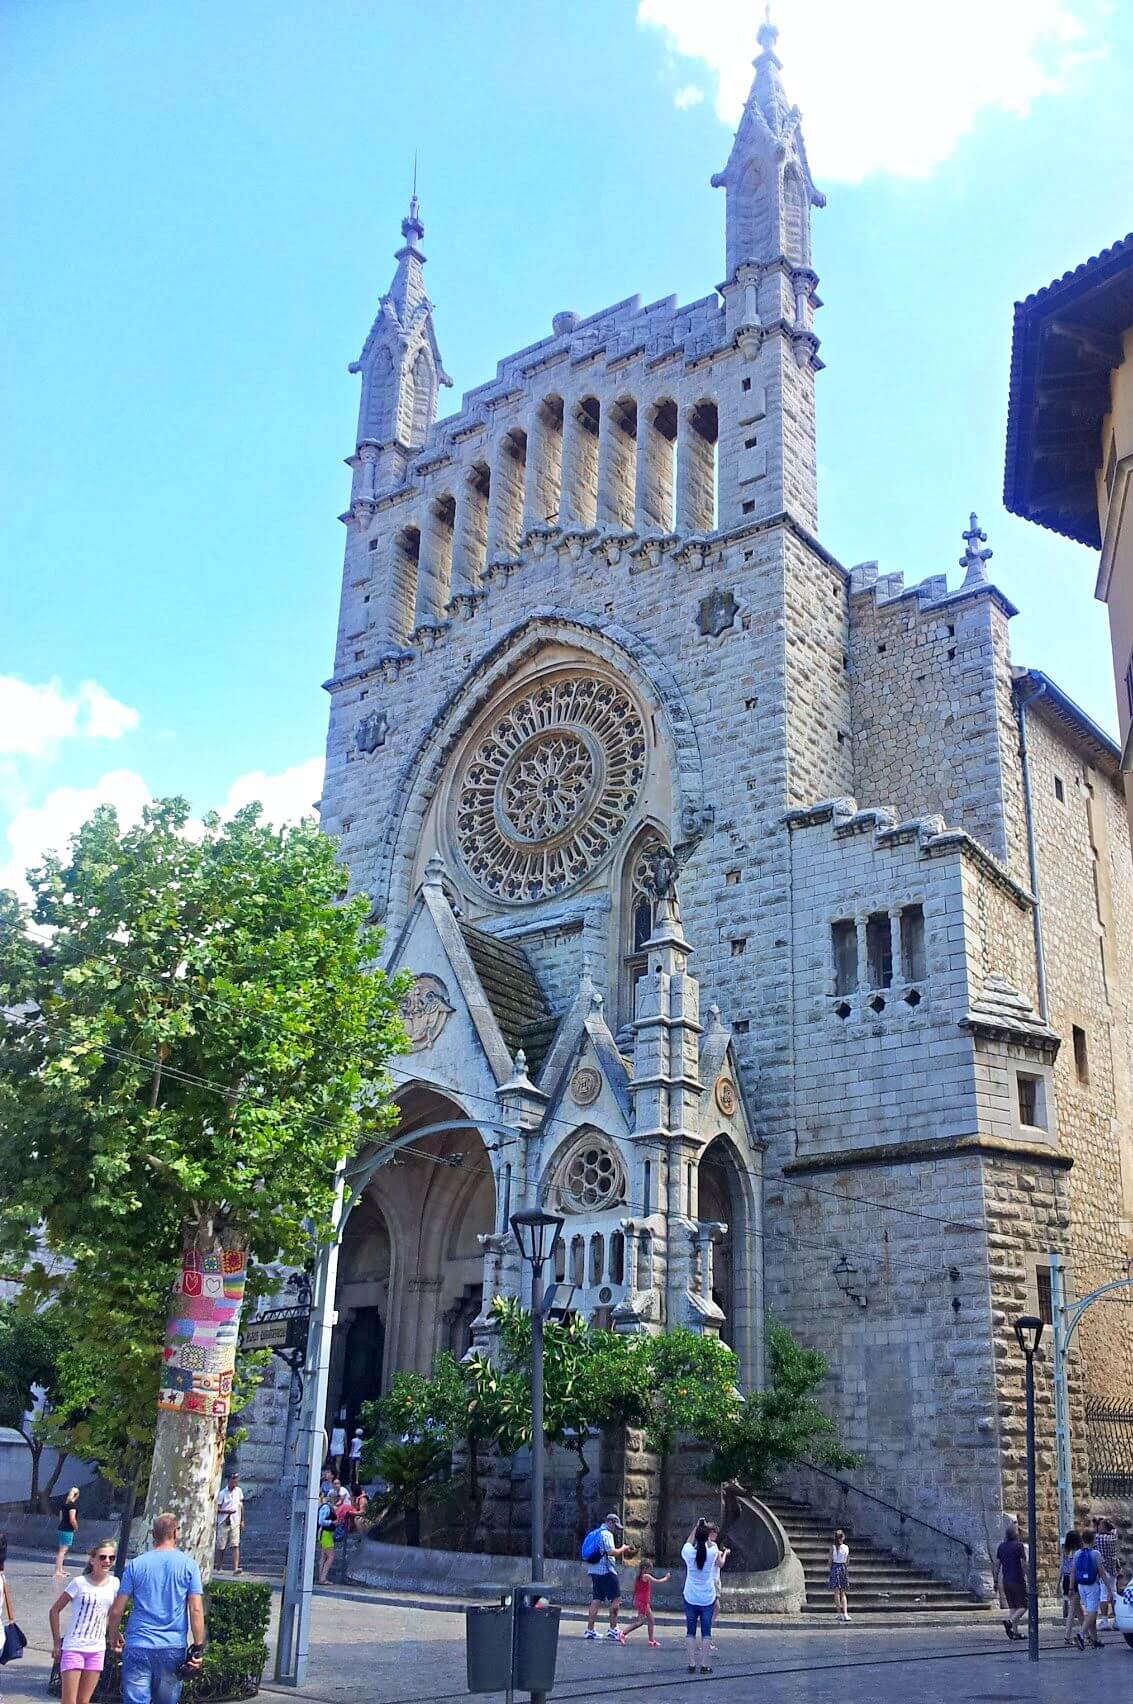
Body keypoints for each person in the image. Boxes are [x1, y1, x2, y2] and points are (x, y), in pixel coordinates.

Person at [106, 1513, 205, 1704]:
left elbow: (117, 1610)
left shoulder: (136, 1565)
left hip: (138, 1644)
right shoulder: (189, 1566)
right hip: (172, 1646)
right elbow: (196, 1610)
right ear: (176, 1533)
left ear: (152, 1534)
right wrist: (198, 1648)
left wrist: (113, 1634)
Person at [49, 1536, 120, 1704]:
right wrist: (57, 1643)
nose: (107, 1561)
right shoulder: (79, 1583)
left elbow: (111, 1615)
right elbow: (54, 1611)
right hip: (74, 1646)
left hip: (97, 1649)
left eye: (111, 1557)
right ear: (92, 1560)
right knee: (69, 1701)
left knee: (84, 1700)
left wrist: (114, 1635)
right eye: (102, 1557)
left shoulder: (115, 1584)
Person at [681, 1518, 719, 1676]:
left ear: (697, 1536)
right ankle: (704, 1665)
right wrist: (705, 1532)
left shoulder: (688, 1553)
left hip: (690, 1596)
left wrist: (697, 1527)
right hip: (707, 1598)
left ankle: (691, 1664)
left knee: (690, 1632)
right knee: (706, 1632)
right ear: (708, 1537)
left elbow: (688, 1542)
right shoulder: (712, 1552)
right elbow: (710, 1545)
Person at [583, 1513, 630, 1643]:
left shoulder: (596, 1532)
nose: (616, 1530)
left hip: (594, 1570)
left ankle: (590, 1630)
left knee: (596, 1599)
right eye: (615, 1526)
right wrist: (623, 1548)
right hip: (606, 1571)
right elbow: (611, 1552)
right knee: (616, 1599)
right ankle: (613, 1629)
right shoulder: (607, 1534)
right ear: (610, 1522)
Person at [1071, 1526, 1116, 1649]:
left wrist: (1071, 1588)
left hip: (1081, 1586)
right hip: (1092, 1586)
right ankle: (1081, 1634)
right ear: (1093, 1540)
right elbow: (1101, 1572)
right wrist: (1110, 1589)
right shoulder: (1096, 1554)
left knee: (1091, 1612)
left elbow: (1073, 1572)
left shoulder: (1077, 1553)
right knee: (1092, 1613)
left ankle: (1095, 1640)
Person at [622, 1558, 669, 1646]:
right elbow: (657, 1581)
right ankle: (623, 1633)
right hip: (642, 1602)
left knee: (651, 1619)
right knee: (640, 1622)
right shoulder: (645, 1576)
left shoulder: (638, 1577)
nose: (650, 1571)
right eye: (649, 1569)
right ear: (644, 1568)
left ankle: (651, 1640)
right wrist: (666, 1578)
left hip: (642, 1601)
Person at [214, 1473, 244, 1576]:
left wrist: (242, 1520)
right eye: (233, 1481)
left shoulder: (239, 1491)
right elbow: (217, 1509)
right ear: (229, 1481)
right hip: (223, 1521)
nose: (234, 1483)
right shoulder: (222, 1493)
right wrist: (227, 1511)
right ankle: (219, 1567)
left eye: (236, 1481)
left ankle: (235, 1568)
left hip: (235, 1521)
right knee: (221, 1546)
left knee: (235, 1544)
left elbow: (241, 1506)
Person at [707, 1523, 729, 1652]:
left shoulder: (703, 1545)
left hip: (709, 1581)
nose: (716, 1535)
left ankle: (706, 1635)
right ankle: (707, 1635)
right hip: (713, 1582)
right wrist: (725, 1553)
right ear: (711, 1533)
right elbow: (720, 1563)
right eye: (715, 1533)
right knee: (715, 1609)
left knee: (713, 1609)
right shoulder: (713, 1546)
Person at [1096, 1518, 1120, 1632]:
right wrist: (1108, 1523)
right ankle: (1117, 1620)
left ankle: (1104, 1621)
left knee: (1104, 1595)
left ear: (1104, 1528)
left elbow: (1093, 1536)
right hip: (1113, 1569)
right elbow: (1114, 1529)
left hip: (1103, 1570)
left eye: (1100, 1525)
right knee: (1114, 1594)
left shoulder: (1099, 1538)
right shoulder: (1114, 1537)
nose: (1098, 1527)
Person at [55, 1489, 80, 1581]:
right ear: (76, 1496)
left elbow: (61, 1518)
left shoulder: (64, 1505)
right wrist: (76, 1527)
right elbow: (72, 1519)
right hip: (68, 1529)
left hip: (62, 1527)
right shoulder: (72, 1506)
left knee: (62, 1550)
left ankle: (60, 1569)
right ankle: (57, 1571)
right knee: (63, 1550)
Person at [316, 1496, 335, 1585]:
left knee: (323, 1556)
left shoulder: (325, 1507)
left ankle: (321, 1578)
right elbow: (321, 1521)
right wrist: (332, 1522)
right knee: (330, 1556)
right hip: (325, 1533)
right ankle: (323, 1578)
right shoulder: (326, 1507)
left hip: (324, 1533)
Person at [328, 1414, 347, 1479]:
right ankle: (337, 1478)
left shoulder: (333, 1430)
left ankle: (331, 1477)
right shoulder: (343, 1431)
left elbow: (330, 1438)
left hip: (333, 1447)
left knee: (332, 1464)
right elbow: (345, 1442)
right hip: (340, 1448)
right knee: (338, 1464)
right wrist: (346, 1450)